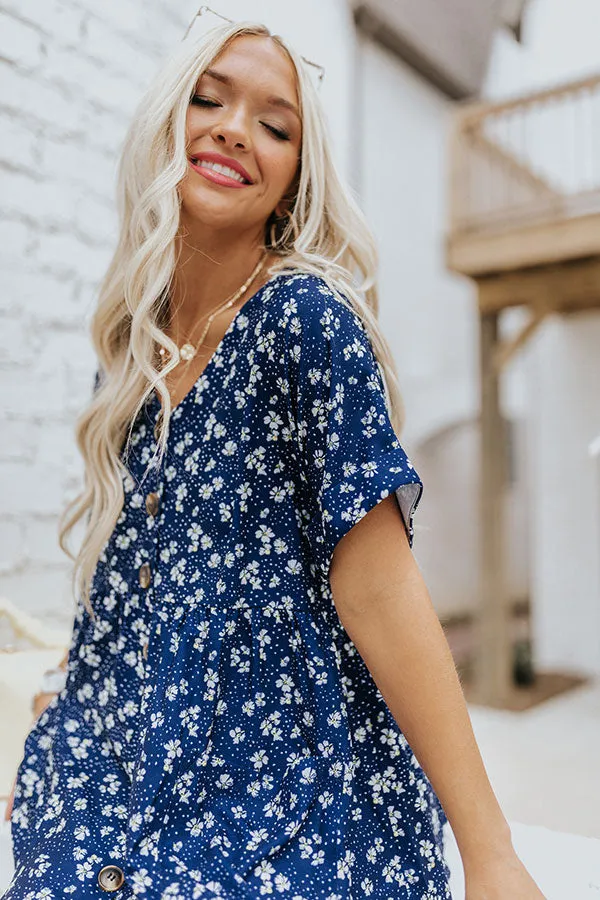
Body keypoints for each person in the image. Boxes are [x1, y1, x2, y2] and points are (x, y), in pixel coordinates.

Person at [3, 10, 546, 900]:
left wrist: (490, 853)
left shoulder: (305, 323)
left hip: (282, 772)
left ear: (296, 174)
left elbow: (378, 585)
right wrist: (77, 693)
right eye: (208, 101)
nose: (233, 130)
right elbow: (138, 566)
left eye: (274, 123)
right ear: (166, 125)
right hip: (115, 753)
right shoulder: (132, 348)